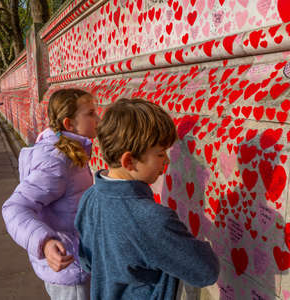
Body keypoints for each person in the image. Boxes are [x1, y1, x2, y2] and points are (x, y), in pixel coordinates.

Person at [74, 98, 220, 300]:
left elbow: (87, 261)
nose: (167, 161)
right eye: (160, 154)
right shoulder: (151, 219)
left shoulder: (90, 197)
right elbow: (206, 271)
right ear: (129, 161)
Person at [2, 89, 100, 300]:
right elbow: (15, 208)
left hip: (75, 262)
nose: (98, 119)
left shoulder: (68, 152)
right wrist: (44, 243)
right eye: (91, 113)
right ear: (69, 124)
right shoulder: (57, 161)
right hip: (71, 269)